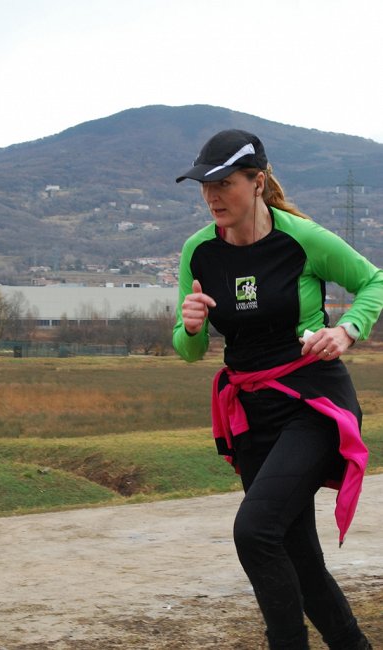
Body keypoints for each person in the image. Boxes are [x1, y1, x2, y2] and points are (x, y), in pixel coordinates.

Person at [173, 128, 383, 650]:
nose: (212, 195)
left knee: (255, 531)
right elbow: (189, 349)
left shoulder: (301, 238)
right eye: (205, 185)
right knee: (297, 554)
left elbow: (374, 281)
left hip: (313, 402)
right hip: (251, 412)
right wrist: (192, 326)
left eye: (224, 183)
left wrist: (346, 330)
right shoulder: (198, 252)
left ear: (258, 182)